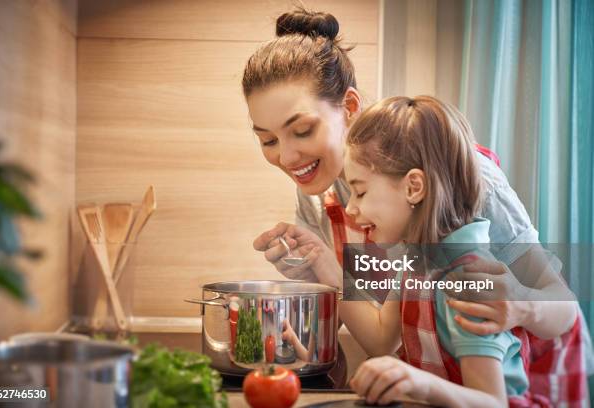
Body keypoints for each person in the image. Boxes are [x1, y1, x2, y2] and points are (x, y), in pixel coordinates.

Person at [242, 7, 590, 405]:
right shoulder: (330, 199)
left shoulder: (465, 178)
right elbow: (382, 334)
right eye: (268, 140)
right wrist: (318, 261)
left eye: (301, 130)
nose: (286, 157)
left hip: (537, 365)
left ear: (350, 107)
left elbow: (560, 305)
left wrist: (519, 305)